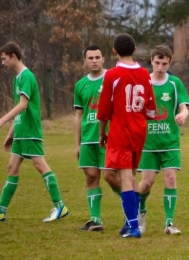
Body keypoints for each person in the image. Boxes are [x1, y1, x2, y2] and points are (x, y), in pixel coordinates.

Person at [0, 42, 69, 222]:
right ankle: (1, 211)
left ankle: (59, 206)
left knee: (40, 166)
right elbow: (20, 108)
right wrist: (10, 134)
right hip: (21, 132)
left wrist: (2, 120)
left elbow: (23, 105)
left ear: (13, 56)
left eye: (4, 59)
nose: (3, 63)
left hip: (30, 132)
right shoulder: (17, 78)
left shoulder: (27, 76)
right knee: (12, 168)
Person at [97, 33, 156, 238]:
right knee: (123, 175)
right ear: (135, 49)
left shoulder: (112, 75)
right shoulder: (145, 74)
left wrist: (102, 132)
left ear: (114, 51)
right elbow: (150, 110)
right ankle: (131, 219)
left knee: (124, 177)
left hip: (121, 131)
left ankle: (133, 226)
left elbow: (104, 109)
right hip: (139, 130)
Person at [137, 45, 189, 235]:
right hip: (148, 143)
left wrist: (182, 115)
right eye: (157, 63)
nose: (160, 67)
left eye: (164, 63)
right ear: (151, 61)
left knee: (171, 178)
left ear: (170, 63)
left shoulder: (175, 83)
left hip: (170, 142)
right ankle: (141, 210)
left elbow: (184, 106)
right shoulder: (142, 83)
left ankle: (169, 223)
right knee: (147, 183)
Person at [74, 45, 119, 231]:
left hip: (109, 138)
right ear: (84, 61)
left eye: (97, 57)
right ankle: (95, 219)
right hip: (88, 140)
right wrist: (77, 144)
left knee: (110, 176)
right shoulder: (80, 85)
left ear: (103, 59)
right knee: (91, 177)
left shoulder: (113, 79)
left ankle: (132, 209)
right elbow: (78, 116)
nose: (94, 60)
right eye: (90, 58)